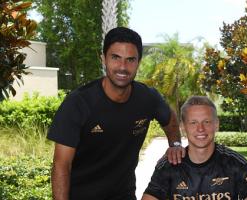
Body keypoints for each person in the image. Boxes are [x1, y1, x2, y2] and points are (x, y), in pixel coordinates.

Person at [47, 27, 185, 200]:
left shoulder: (147, 98)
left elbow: (170, 119)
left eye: (130, 60)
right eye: (115, 57)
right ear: (103, 59)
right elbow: (61, 166)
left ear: (138, 62)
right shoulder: (78, 103)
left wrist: (176, 145)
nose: (123, 67)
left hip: (124, 195)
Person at [142, 96, 247, 200]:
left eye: (206, 122)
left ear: (216, 125)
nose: (200, 129)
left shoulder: (235, 163)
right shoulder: (169, 164)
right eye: (193, 123)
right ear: (183, 127)